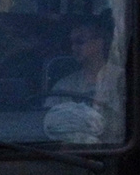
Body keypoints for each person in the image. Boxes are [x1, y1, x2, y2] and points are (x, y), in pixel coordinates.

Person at [43, 16, 125, 144]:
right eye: (71, 43)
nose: (73, 48)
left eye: (80, 42)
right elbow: (50, 124)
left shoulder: (122, 80)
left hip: (113, 151)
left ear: (99, 43)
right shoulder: (64, 85)